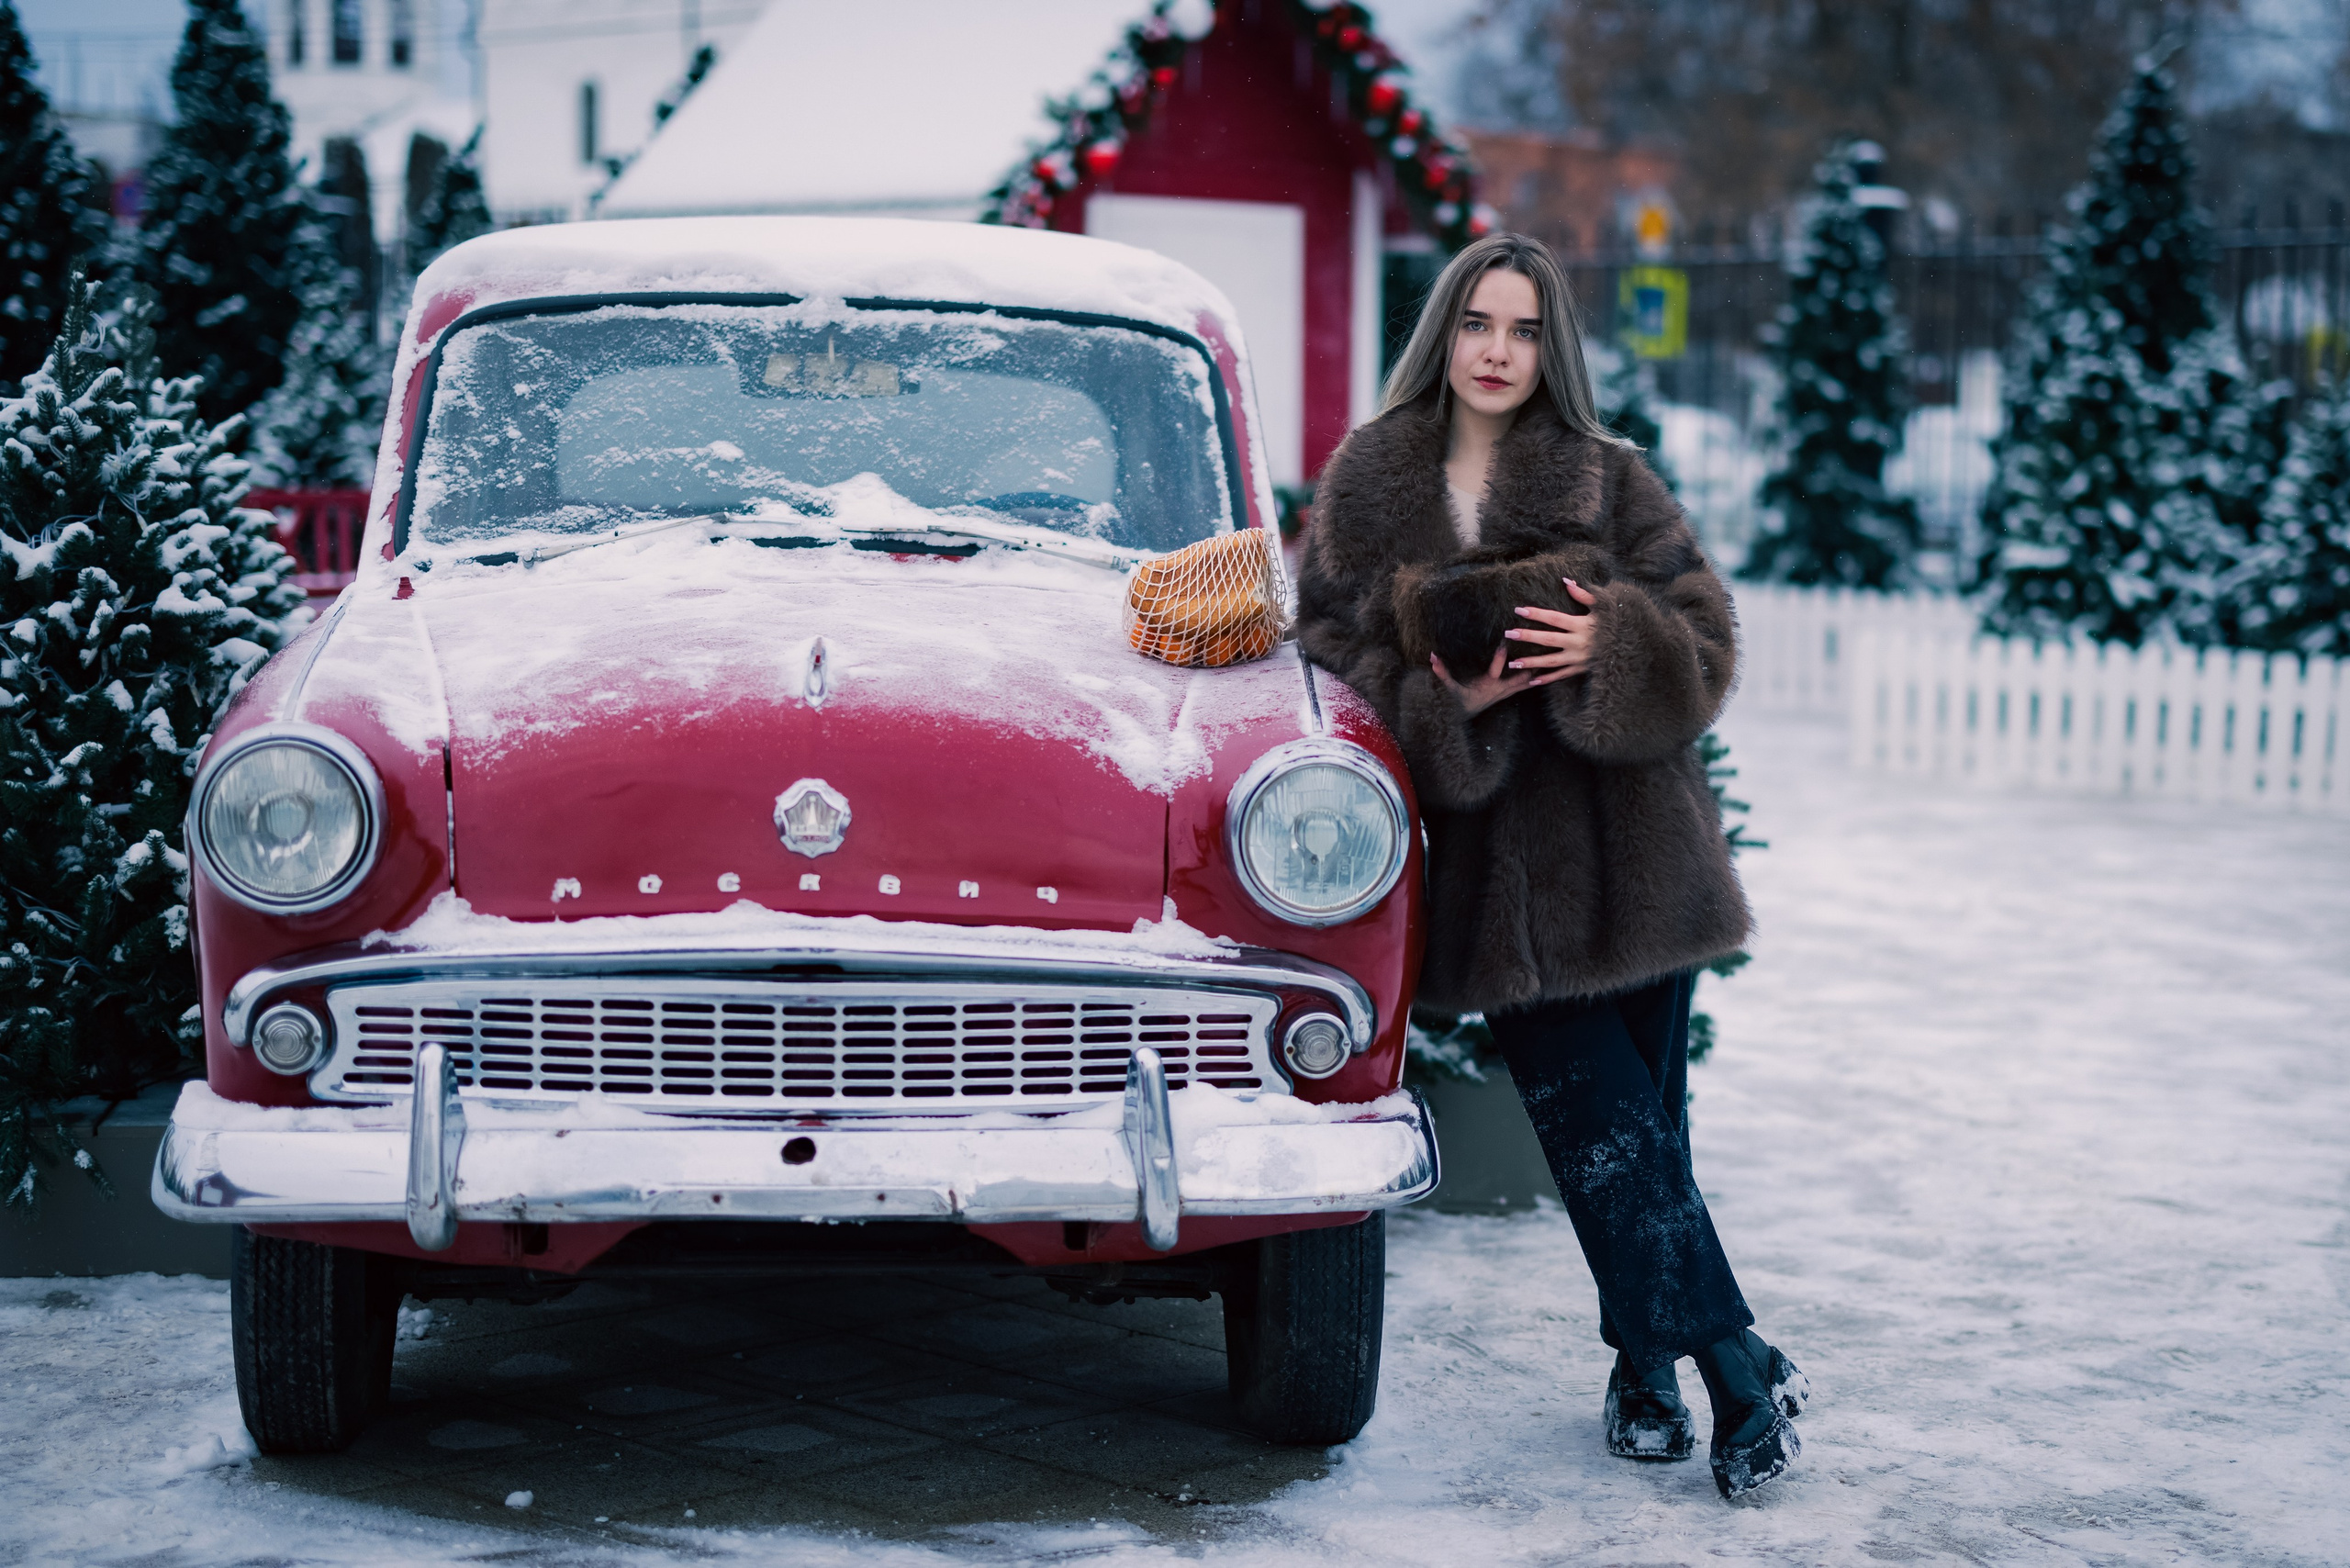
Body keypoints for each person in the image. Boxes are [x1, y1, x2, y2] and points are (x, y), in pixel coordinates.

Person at [1296, 232, 1809, 1500]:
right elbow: (1325, 670)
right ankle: (1738, 1366)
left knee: (1646, 1134)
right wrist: (1447, 703)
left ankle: (1644, 1374)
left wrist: (1612, 641)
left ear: (1551, 350)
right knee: (1601, 1129)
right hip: (1503, 890)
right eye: (1479, 323)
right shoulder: (1368, 484)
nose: (1498, 351)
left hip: (1642, 855)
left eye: (1525, 331)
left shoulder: (1609, 475)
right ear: (1444, 332)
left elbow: (1706, 638)